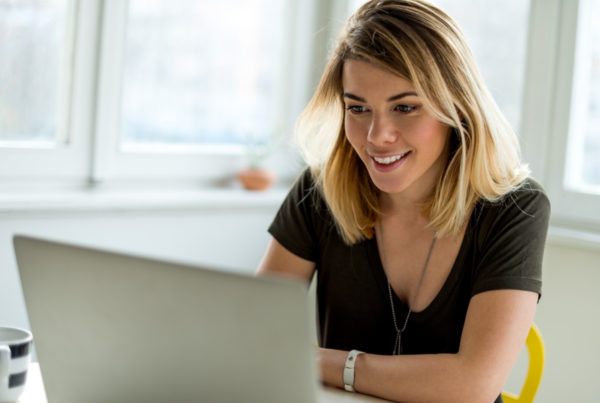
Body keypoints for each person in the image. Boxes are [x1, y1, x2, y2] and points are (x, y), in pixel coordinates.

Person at [257, 0, 550, 402]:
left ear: (457, 107)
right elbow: (254, 338)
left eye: (405, 107)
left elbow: (473, 385)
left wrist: (315, 361)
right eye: (357, 108)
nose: (377, 136)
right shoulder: (318, 192)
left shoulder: (515, 208)